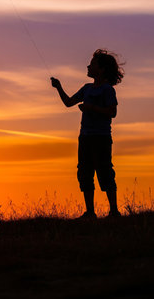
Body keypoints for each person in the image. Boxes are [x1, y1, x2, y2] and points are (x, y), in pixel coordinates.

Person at [51, 49, 124, 219]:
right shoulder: (87, 88)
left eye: (92, 64)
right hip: (85, 138)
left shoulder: (107, 90)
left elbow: (112, 112)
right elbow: (69, 103)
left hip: (101, 138)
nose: (88, 66)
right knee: (84, 172)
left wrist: (91, 108)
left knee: (105, 171)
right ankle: (90, 212)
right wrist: (59, 87)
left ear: (102, 69)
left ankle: (114, 211)